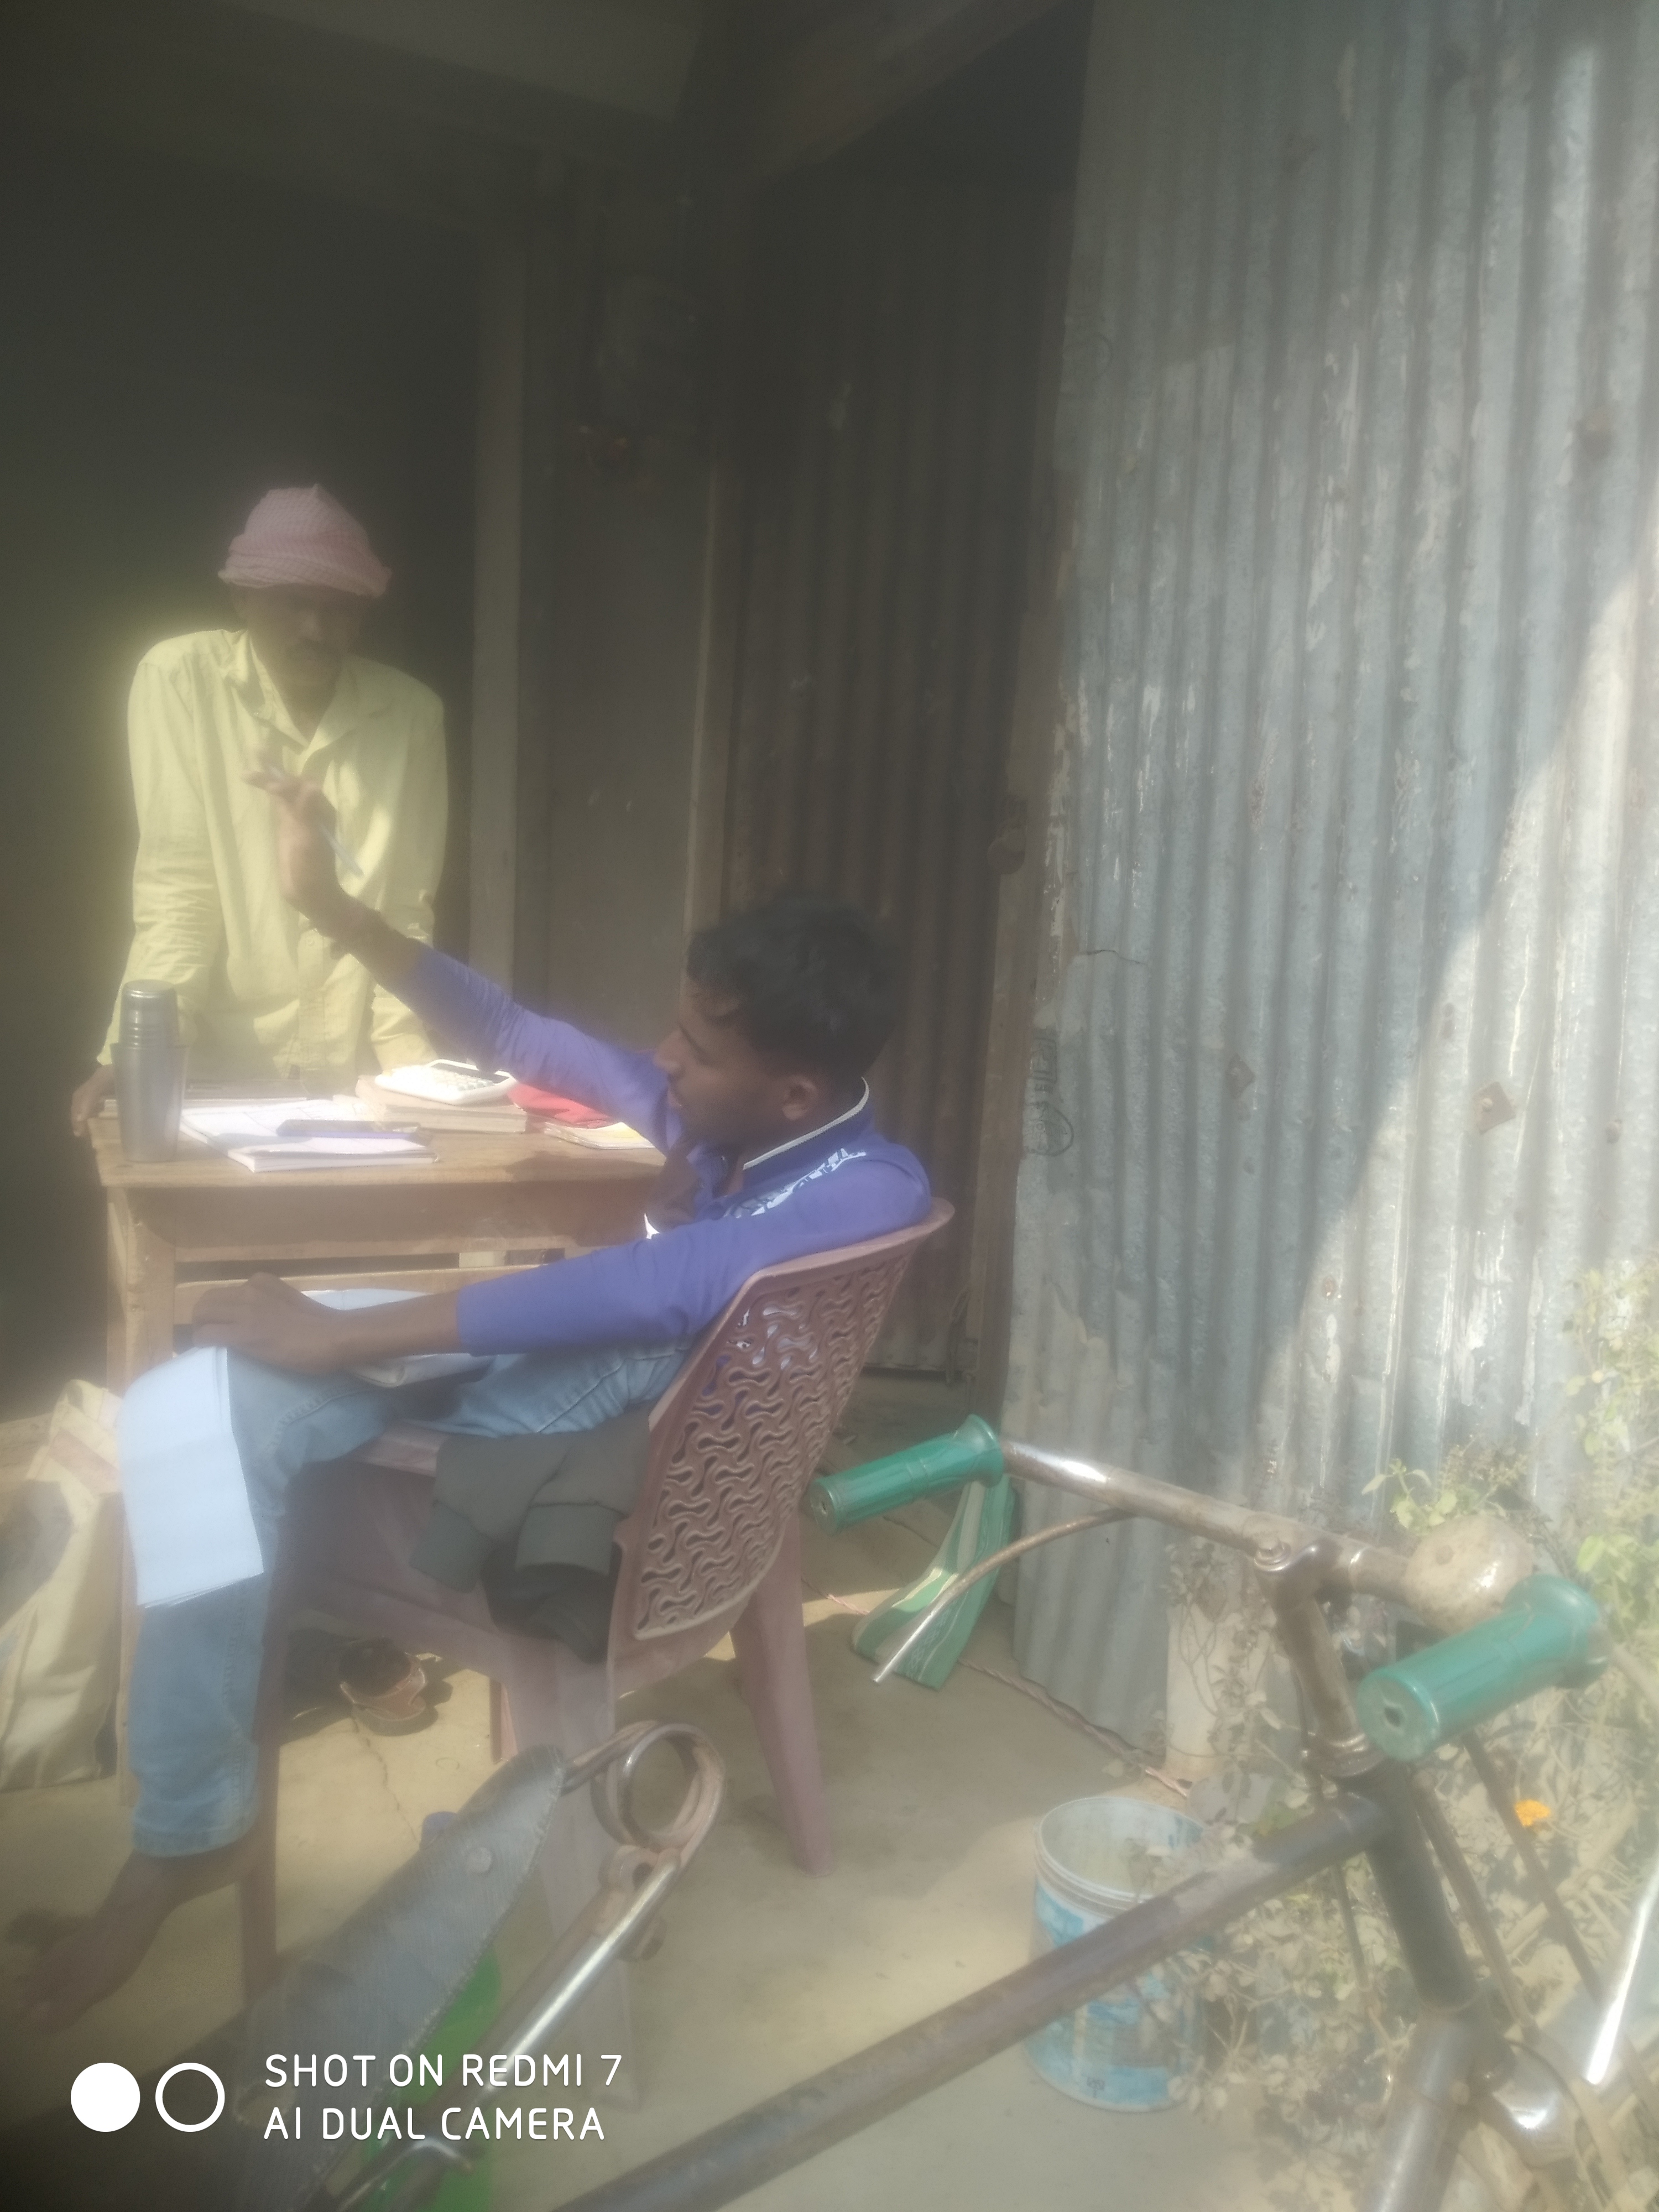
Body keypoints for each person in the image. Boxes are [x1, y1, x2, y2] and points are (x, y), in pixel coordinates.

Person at [23, 773, 930, 2028]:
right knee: (195, 1405)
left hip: (630, 1487)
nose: (664, 1058)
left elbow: (655, 1287)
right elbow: (521, 1037)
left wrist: (352, 1332)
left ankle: (184, 1833)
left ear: (794, 1094)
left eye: (697, 1048)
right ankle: (185, 1831)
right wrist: (335, 910)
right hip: (638, 1431)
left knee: (228, 1425)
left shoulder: (868, 1190)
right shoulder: (752, 1133)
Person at [69, 486, 447, 1134]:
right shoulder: (180, 679)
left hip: (354, 1076)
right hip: (212, 1067)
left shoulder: (411, 715)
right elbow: (178, 887)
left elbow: (407, 908)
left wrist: (414, 1071)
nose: (316, 629)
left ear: (362, 615)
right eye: (294, 602)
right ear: (241, 598)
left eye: (338, 608)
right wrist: (136, 1051)